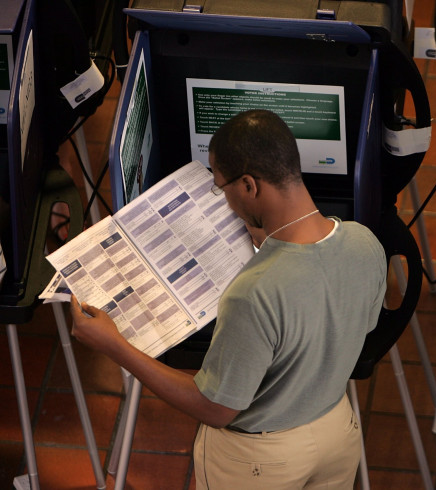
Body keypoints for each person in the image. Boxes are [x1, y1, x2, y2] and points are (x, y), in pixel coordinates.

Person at [70, 109, 387, 489]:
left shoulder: (253, 293)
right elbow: (354, 325)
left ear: (250, 185)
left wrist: (115, 346)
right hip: (337, 430)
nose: (223, 201)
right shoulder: (364, 242)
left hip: (263, 462)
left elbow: (216, 407)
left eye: (221, 188)